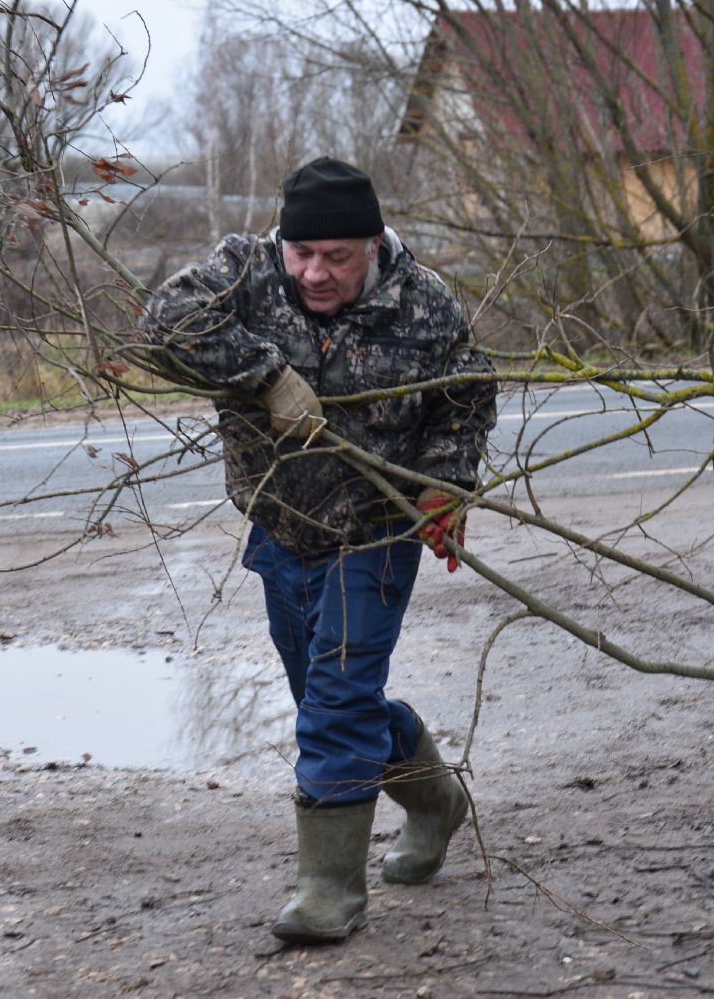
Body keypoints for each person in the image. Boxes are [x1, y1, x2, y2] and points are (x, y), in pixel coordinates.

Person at [142, 156, 498, 942]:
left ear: (372, 244)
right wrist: (267, 377)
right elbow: (162, 321)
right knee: (329, 700)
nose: (314, 272)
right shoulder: (246, 271)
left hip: (377, 530)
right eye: (301, 254)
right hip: (280, 526)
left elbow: (467, 397)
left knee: (336, 701)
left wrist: (447, 483)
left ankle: (329, 892)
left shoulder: (426, 306)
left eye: (336, 256)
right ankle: (437, 802)